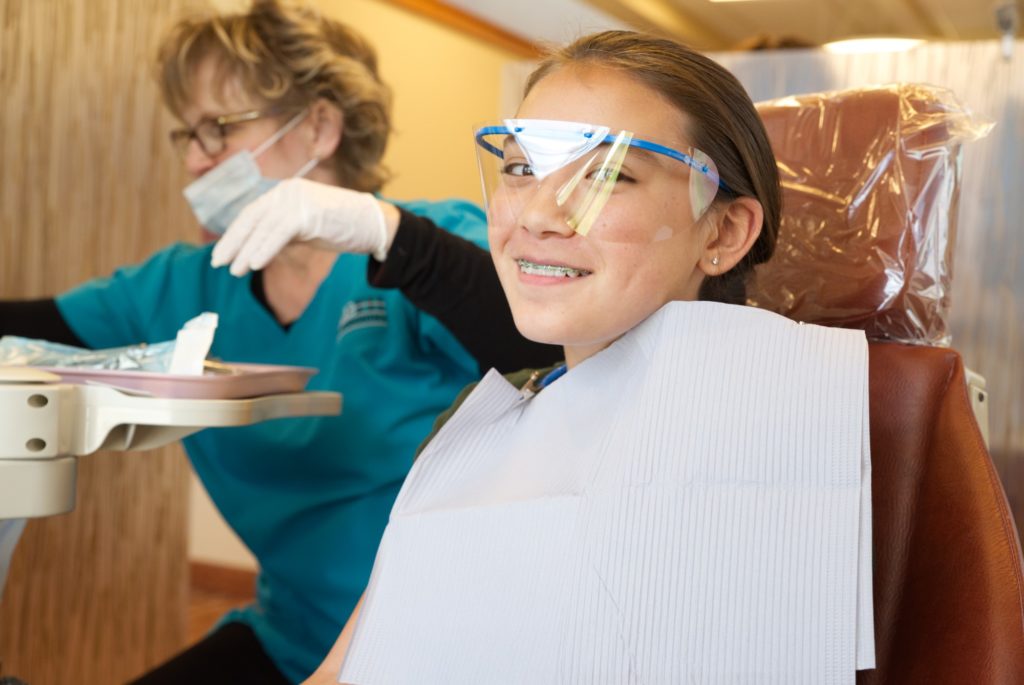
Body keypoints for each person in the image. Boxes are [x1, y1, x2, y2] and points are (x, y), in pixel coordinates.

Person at [0, 1, 557, 683]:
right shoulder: (181, 284)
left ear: (319, 126)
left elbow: (544, 338)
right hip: (293, 636)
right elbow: (26, 326)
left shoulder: (422, 251)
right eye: (187, 135)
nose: (196, 161)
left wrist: (388, 235)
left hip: (441, 642)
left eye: (220, 128)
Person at [303, 30, 872, 684]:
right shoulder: (479, 422)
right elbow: (347, 668)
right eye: (521, 168)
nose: (538, 215)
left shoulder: (790, 439)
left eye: (607, 173)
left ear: (722, 231)